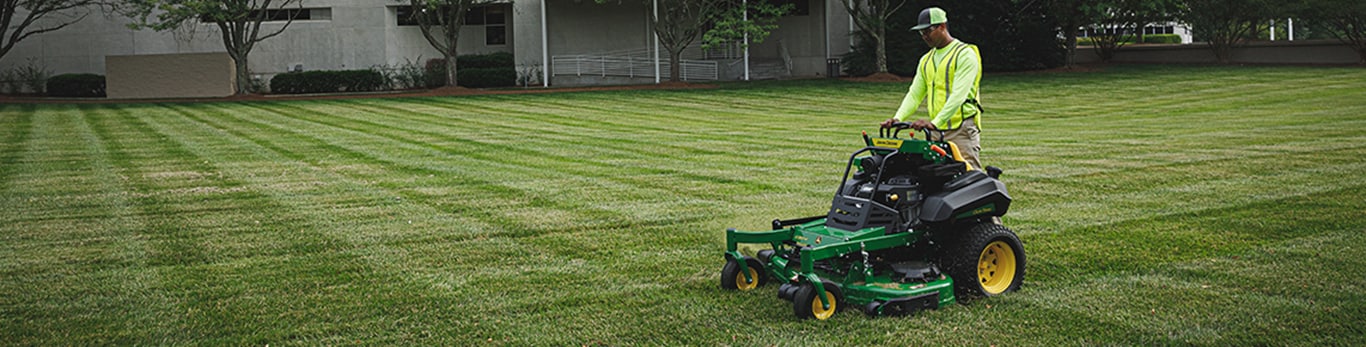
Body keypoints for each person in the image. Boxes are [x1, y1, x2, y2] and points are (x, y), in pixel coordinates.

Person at [880, 7, 985, 170]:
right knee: (937, 176)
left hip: (961, 128)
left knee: (969, 176)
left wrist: (935, 123)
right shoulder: (926, 60)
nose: (924, 36)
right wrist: (898, 118)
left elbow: (959, 95)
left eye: (928, 31)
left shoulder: (965, 54)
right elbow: (915, 94)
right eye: (921, 32)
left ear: (942, 26)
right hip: (936, 131)